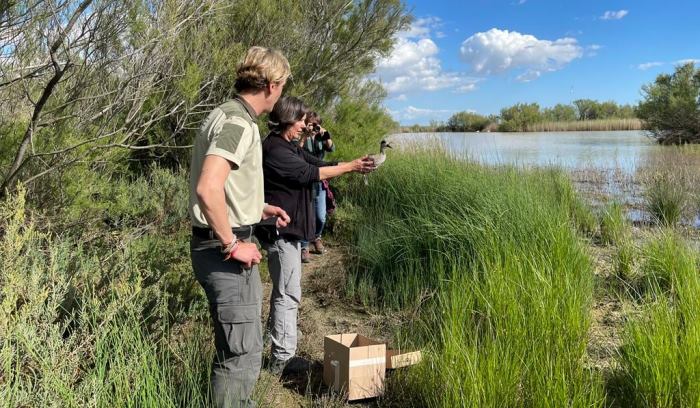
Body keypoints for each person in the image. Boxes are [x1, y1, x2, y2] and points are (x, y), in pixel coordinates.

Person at [189, 46, 291, 408]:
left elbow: (223, 187)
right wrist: (233, 244)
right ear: (271, 84)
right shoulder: (238, 123)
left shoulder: (225, 115)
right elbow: (207, 187)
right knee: (241, 355)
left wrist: (258, 207)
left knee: (237, 348)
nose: (281, 92)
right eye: (282, 85)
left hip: (215, 247)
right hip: (224, 254)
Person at [261, 96, 375, 374]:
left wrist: (349, 162)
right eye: (301, 120)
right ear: (288, 118)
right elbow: (310, 172)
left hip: (291, 232)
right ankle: (282, 358)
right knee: (288, 295)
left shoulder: (287, 146)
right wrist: (351, 168)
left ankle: (269, 340)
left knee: (285, 291)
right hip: (283, 232)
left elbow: (316, 161)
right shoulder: (275, 149)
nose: (305, 125)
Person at [299, 112, 335, 262]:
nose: (313, 126)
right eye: (311, 123)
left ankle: (317, 237)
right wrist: (305, 135)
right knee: (306, 213)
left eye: (316, 123)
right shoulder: (301, 135)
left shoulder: (321, 135)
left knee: (320, 215)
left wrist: (325, 133)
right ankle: (304, 246)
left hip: (319, 178)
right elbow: (295, 150)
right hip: (304, 178)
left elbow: (331, 148)